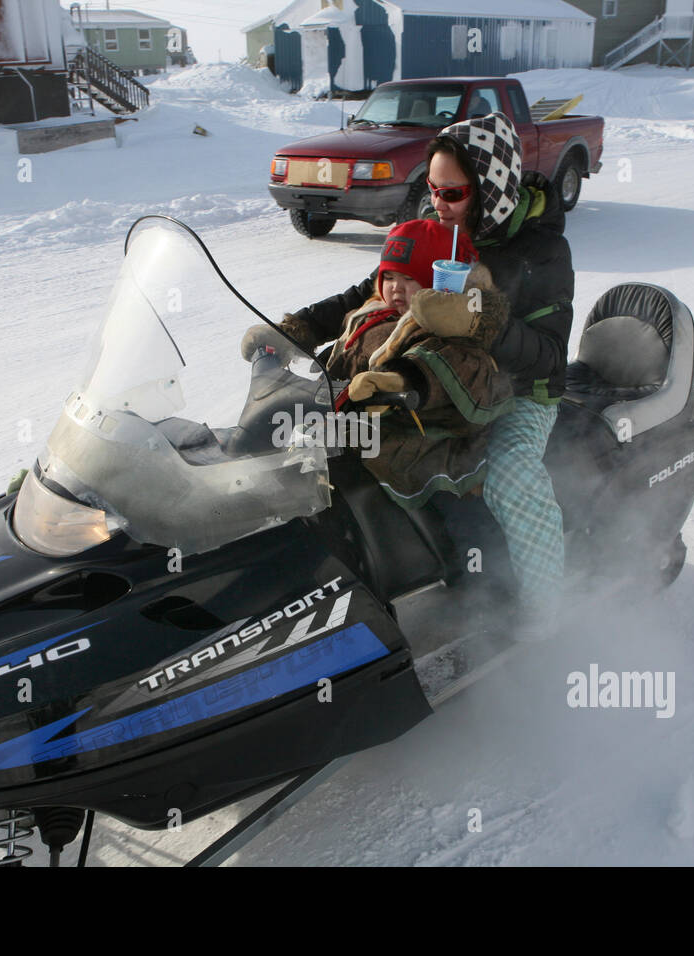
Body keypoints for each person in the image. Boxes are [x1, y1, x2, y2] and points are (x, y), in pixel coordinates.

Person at [244, 112, 574, 624]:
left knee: (511, 477)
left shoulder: (541, 252)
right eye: (433, 190)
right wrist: (295, 331)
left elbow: (551, 356)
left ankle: (546, 613)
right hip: (424, 386)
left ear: (493, 189)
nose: (438, 205)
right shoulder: (434, 232)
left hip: (520, 394)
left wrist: (479, 322)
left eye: (453, 194)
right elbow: (369, 292)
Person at [308, 218, 514, 509]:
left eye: (409, 280)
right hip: (354, 429)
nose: (395, 289)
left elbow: (448, 364)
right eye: (389, 277)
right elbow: (349, 352)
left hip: (418, 444)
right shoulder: (373, 313)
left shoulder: (439, 329)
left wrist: (401, 379)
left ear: (434, 286)